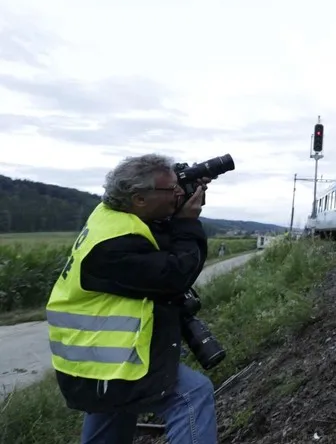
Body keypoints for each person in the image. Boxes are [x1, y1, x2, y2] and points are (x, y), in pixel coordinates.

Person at [46, 153, 217, 443]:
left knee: (112, 413)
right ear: (138, 198)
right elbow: (177, 274)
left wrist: (176, 203)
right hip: (105, 362)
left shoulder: (115, 215)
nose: (178, 193)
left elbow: (157, 236)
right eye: (171, 189)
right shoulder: (113, 246)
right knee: (191, 395)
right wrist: (187, 221)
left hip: (95, 359)